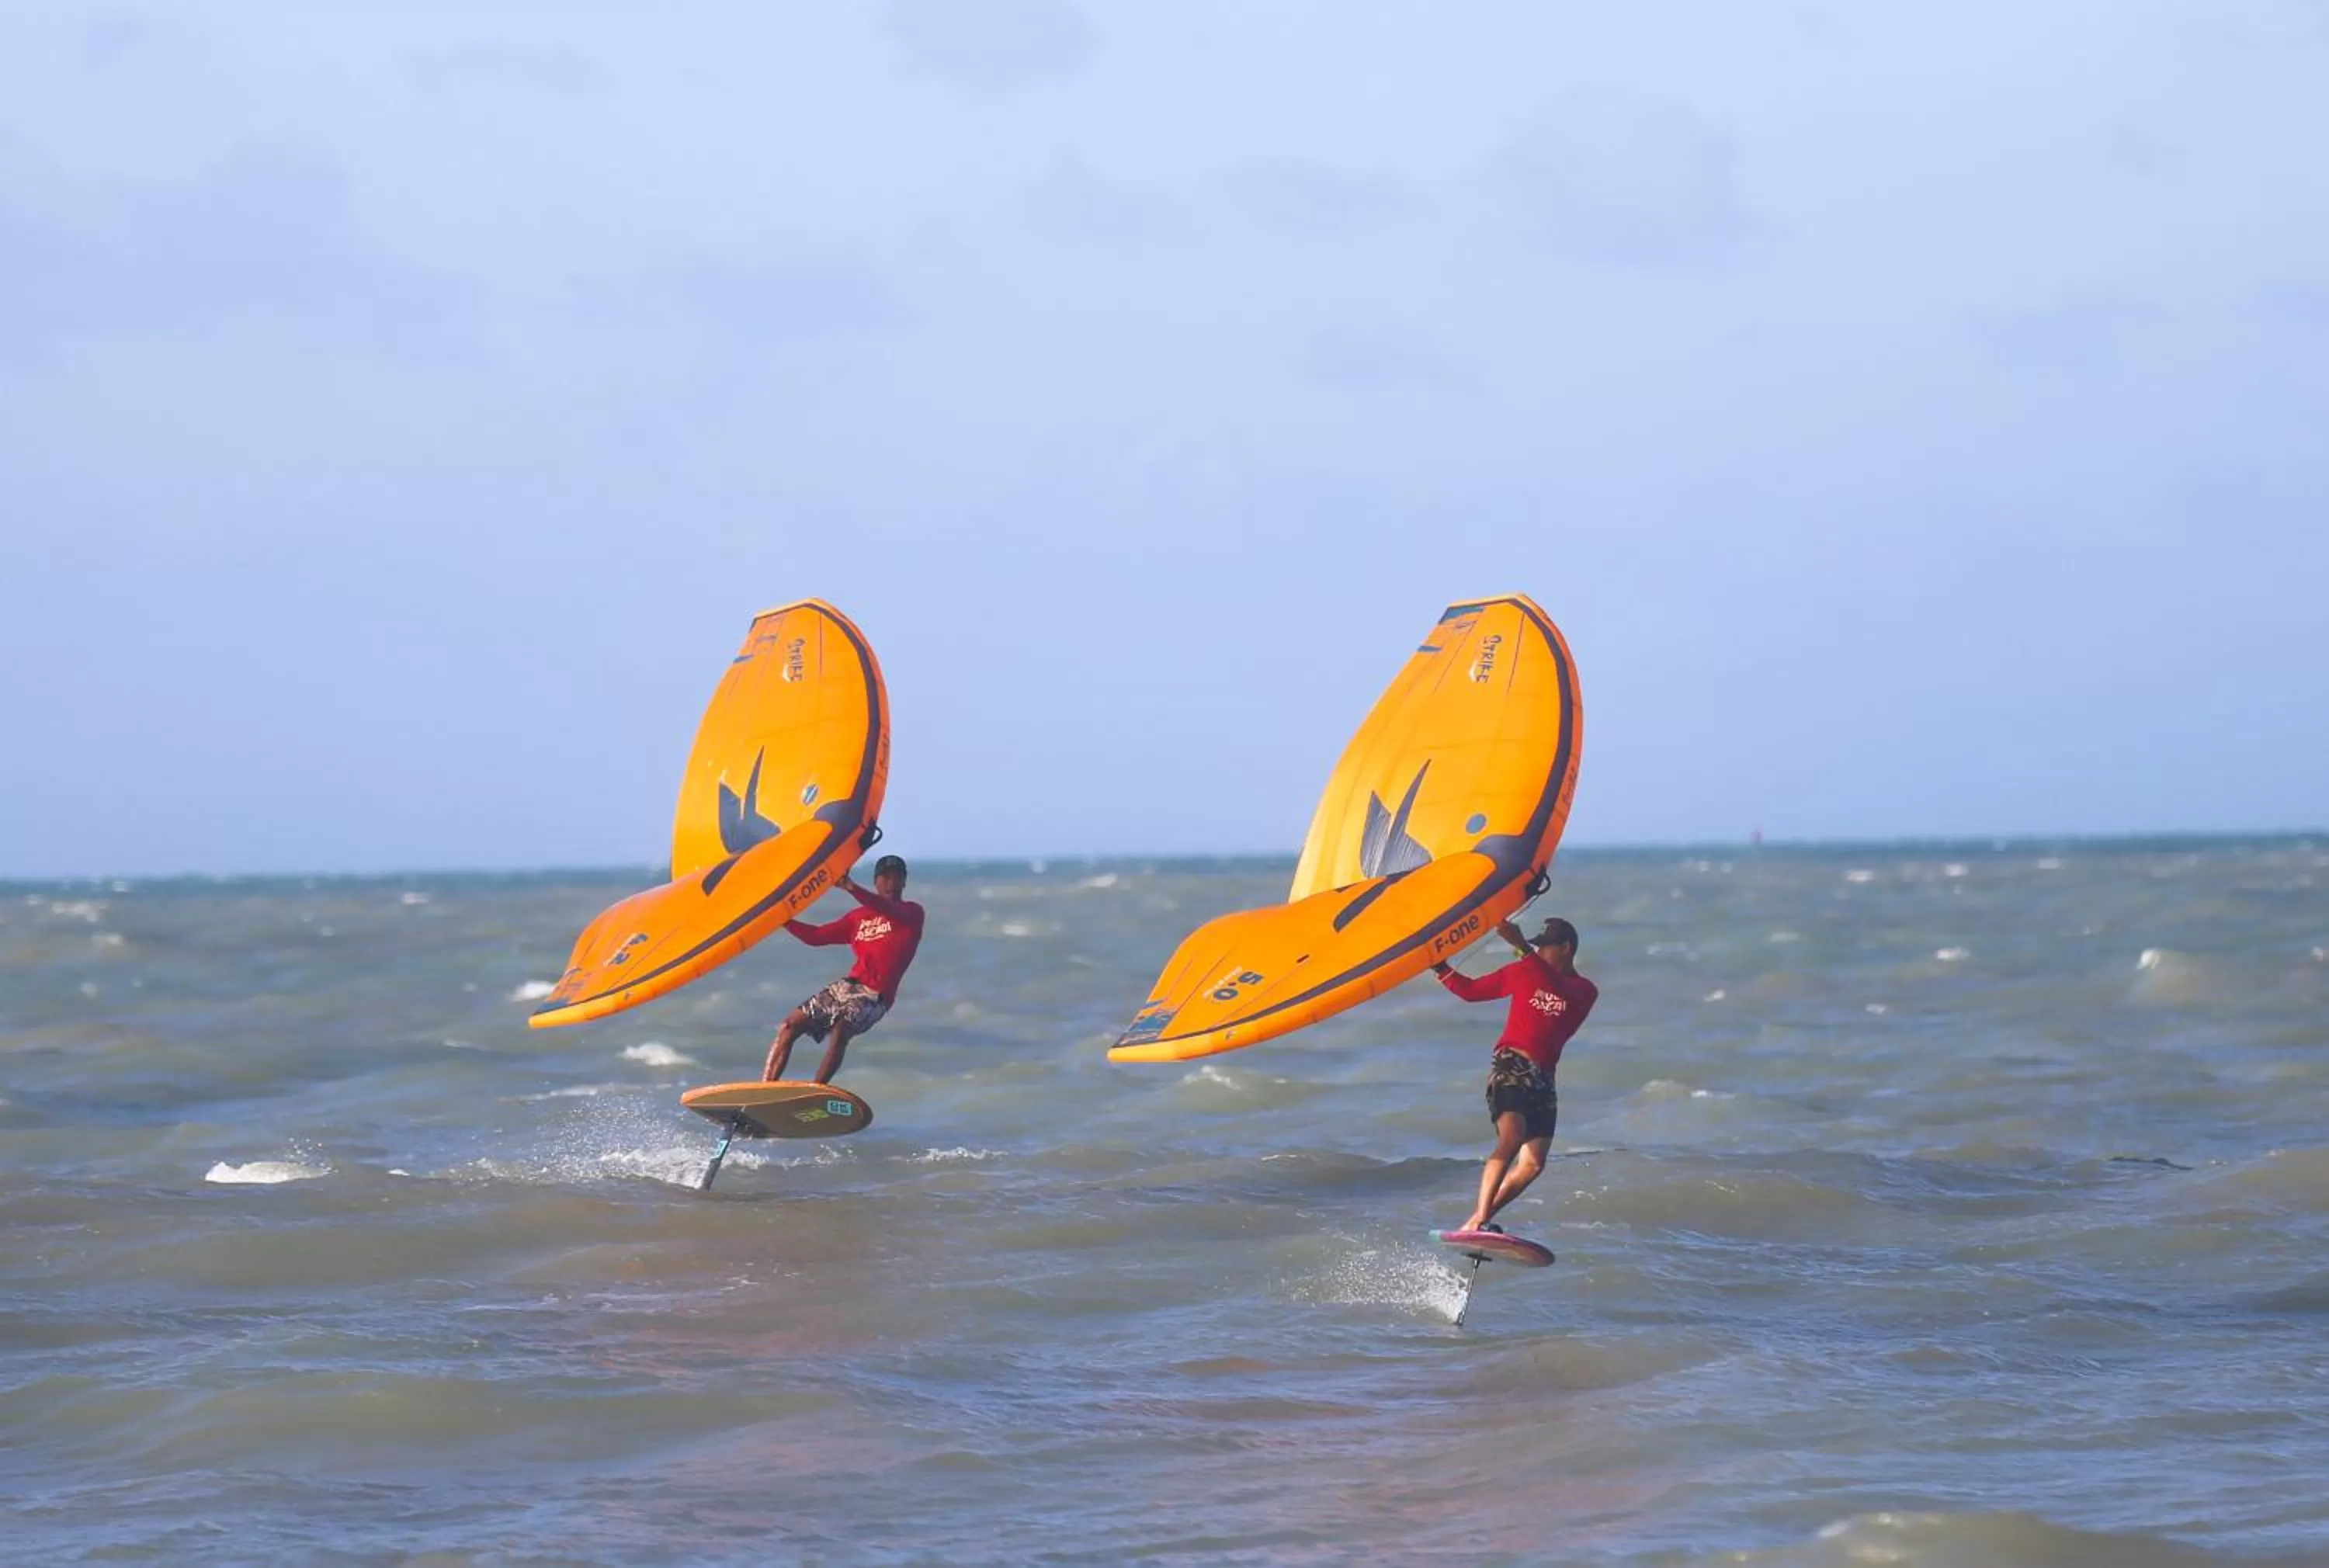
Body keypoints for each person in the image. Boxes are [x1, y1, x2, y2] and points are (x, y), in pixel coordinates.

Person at [1429, 914, 1597, 1235]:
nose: (1542, 952)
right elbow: (1471, 991)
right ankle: (1480, 1218)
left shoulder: (1585, 990)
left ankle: (1476, 1220)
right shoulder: (1525, 972)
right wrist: (1440, 967)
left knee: (1533, 1164)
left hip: (1544, 1078)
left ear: (1566, 948)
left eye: (1547, 947)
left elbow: (1557, 989)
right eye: (1538, 948)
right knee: (1511, 1138)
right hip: (1512, 1065)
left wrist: (1522, 947)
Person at [763, 852, 925, 1084]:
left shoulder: (912, 913)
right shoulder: (858, 918)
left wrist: (850, 886)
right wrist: (782, 919)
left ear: (904, 882)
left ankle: (815, 1091)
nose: (891, 883)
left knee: (841, 1030)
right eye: (885, 877)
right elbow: (816, 937)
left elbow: (888, 909)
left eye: (897, 878)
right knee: (790, 1025)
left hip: (875, 996)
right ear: (876, 882)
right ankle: (765, 1089)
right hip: (847, 986)